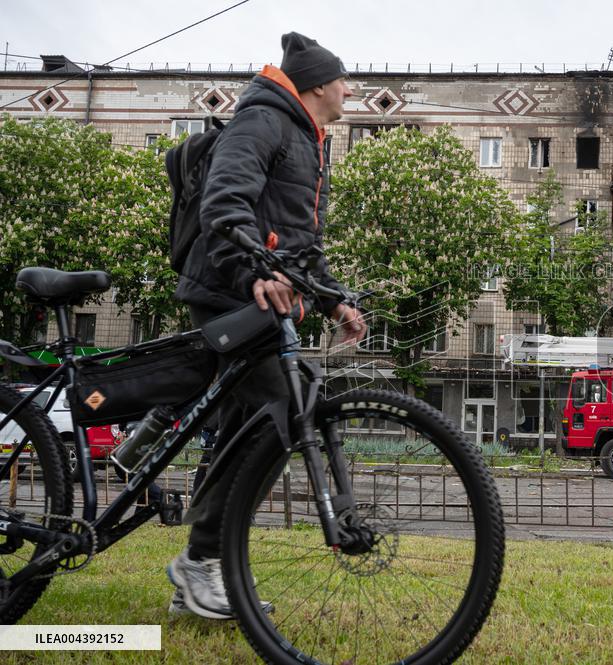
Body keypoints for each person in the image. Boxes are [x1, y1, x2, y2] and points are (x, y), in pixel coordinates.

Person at [167, 31, 367, 619]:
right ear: (318, 85)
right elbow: (224, 204)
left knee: (244, 425)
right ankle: (201, 561)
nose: (350, 90)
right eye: (343, 80)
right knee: (284, 405)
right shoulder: (263, 121)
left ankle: (203, 576)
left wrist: (334, 302)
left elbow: (301, 247)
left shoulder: (309, 140)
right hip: (229, 289)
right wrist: (253, 269)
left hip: (259, 292)